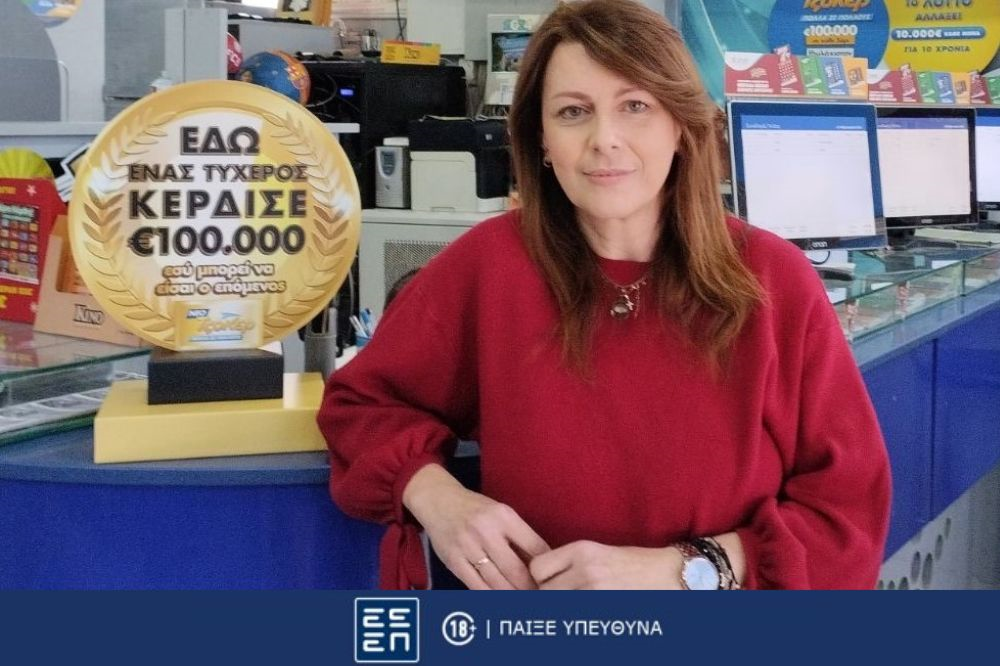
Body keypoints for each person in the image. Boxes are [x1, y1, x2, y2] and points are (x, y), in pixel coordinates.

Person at [318, 0, 891, 590]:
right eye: (573, 112)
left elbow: (846, 519)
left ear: (680, 127)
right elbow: (361, 406)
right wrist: (436, 497)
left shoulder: (774, 282)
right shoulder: (489, 265)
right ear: (541, 140)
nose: (604, 140)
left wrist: (685, 569)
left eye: (635, 106)